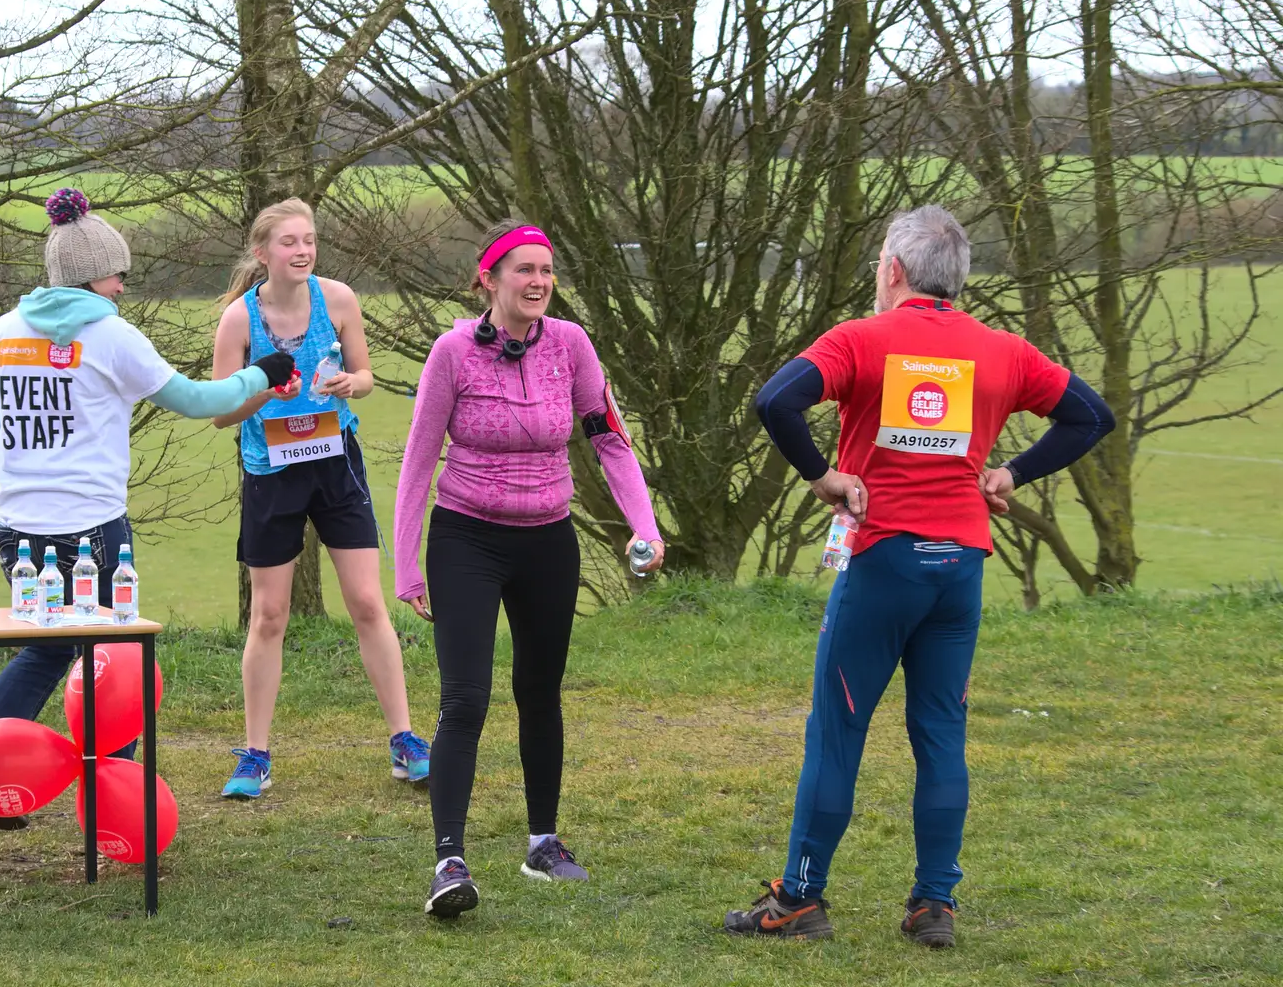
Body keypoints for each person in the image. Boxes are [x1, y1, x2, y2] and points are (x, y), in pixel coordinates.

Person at [727, 205, 1115, 946]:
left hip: (882, 562)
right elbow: (1092, 417)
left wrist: (823, 476)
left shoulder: (860, 339)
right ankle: (934, 905)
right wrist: (1011, 473)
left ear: (892, 271)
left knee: (838, 730)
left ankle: (799, 900)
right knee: (941, 732)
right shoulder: (1003, 351)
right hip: (959, 569)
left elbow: (775, 400)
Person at [0, 187, 296, 829]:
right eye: (120, 274)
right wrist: (264, 373)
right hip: (90, 528)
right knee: (114, 658)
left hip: (17, 524)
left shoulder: (4, 330)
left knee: (48, 649)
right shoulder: (112, 336)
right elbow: (198, 402)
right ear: (94, 276)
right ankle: (114, 799)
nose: (123, 286)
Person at [395, 220, 665, 919]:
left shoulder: (572, 345)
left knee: (540, 693)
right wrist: (406, 564)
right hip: (467, 541)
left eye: (546, 269)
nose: (539, 281)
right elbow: (420, 461)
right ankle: (449, 861)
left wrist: (645, 524)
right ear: (489, 279)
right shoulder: (453, 353)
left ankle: (542, 841)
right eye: (523, 269)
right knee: (466, 701)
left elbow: (607, 437)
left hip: (548, 540)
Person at [210, 198, 430, 800]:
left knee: (365, 600)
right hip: (271, 470)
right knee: (270, 614)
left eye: (309, 240)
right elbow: (220, 413)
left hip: (335, 462)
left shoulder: (339, 299)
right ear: (263, 254)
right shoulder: (238, 321)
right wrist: (263, 388)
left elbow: (365, 376)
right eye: (289, 242)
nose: (303, 250)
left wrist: (346, 383)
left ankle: (406, 740)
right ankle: (255, 755)